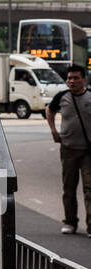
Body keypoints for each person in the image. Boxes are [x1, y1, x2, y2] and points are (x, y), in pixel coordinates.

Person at [46, 64, 91, 234]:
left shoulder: (89, 97)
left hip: (88, 151)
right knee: (69, 188)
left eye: (76, 78)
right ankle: (70, 222)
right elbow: (49, 111)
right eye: (69, 78)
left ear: (83, 80)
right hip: (68, 149)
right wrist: (53, 130)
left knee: (89, 189)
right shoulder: (61, 97)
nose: (71, 81)